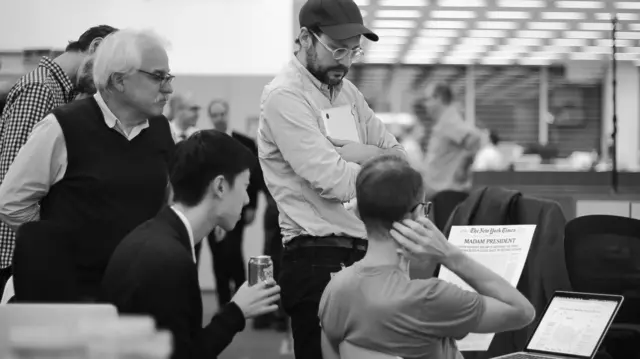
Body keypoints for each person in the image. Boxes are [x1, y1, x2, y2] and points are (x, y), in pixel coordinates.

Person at [257, 0, 405, 356]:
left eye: (354, 51)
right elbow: (333, 179)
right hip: (316, 257)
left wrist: (363, 154)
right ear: (306, 39)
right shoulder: (285, 96)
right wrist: (374, 166)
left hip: (366, 253)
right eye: (337, 49)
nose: (346, 61)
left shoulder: (348, 93)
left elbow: (400, 161)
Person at [0, 28, 175, 300]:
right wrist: (55, 245)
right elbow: (12, 202)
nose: (168, 87)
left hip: (138, 289)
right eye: (158, 77)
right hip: (73, 296)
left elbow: (164, 202)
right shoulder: (61, 127)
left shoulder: (163, 131)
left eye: (169, 77)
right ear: (119, 81)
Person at [319, 155, 535, 359]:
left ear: (358, 212)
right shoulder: (430, 298)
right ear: (414, 216)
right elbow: (522, 312)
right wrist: (450, 255)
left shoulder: (335, 289)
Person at [102, 130, 281, 359]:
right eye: (245, 186)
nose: (246, 200)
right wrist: (236, 312)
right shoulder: (168, 261)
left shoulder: (154, 236)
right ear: (220, 187)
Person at [0, 24, 117, 294]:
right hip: (11, 252)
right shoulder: (41, 89)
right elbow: (12, 184)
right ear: (96, 47)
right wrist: (55, 240)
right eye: (108, 68)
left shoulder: (58, 90)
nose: (104, 80)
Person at [198, 100, 263, 308]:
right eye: (215, 114)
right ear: (210, 117)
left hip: (237, 208)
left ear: (228, 114)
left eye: (222, 113)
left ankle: (242, 301)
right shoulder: (202, 144)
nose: (219, 118)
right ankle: (223, 303)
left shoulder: (244, 142)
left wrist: (252, 205)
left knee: (233, 253)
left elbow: (253, 176)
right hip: (210, 208)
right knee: (218, 256)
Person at [421, 82, 486, 198]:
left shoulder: (449, 121)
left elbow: (475, 139)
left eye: (427, 100)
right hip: (439, 192)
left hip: (446, 193)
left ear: (438, 98)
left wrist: (462, 167)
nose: (425, 105)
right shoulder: (444, 122)